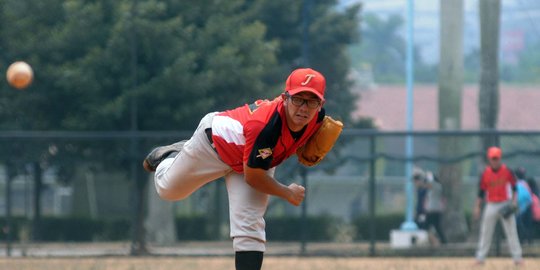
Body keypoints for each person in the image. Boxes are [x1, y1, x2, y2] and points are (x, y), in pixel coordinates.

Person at [143, 68, 334, 270]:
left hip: (255, 159)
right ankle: (171, 155)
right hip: (213, 146)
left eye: (312, 101)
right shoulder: (265, 125)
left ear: (321, 104)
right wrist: (287, 192)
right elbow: (254, 177)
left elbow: (261, 162)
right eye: (298, 99)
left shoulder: (318, 118)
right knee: (168, 190)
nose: (304, 108)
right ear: (285, 98)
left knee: (250, 226)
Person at [474, 146, 522, 265]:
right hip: (491, 205)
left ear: (500, 158)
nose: (495, 161)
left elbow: (515, 187)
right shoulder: (485, 173)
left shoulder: (507, 171)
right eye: (492, 158)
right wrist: (477, 207)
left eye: (496, 158)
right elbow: (481, 192)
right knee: (486, 232)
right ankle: (480, 258)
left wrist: (514, 201)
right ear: (489, 159)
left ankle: (517, 258)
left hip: (505, 203)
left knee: (511, 231)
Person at [424, 171, 447, 245]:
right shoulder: (431, 189)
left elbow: (430, 183)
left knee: (431, 226)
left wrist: (428, 175)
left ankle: (442, 241)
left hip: (434, 210)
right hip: (431, 209)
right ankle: (441, 241)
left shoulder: (437, 186)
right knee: (436, 226)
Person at [514, 167, 533, 245]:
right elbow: (529, 198)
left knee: (519, 226)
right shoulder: (525, 184)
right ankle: (525, 240)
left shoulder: (517, 184)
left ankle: (522, 241)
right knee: (524, 226)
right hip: (525, 208)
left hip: (519, 208)